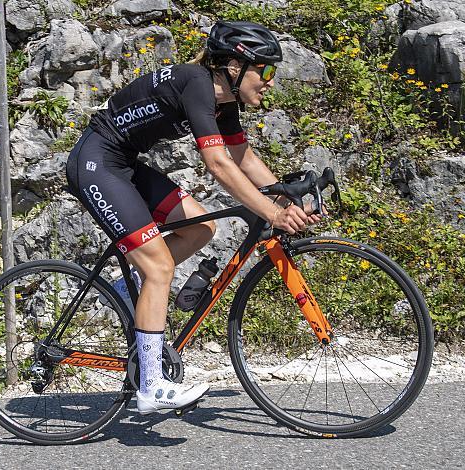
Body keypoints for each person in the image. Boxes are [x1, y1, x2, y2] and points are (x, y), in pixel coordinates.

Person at [65, 20, 322, 414]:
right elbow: (218, 164)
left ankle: (125, 294)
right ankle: (150, 387)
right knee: (160, 268)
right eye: (265, 70)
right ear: (235, 67)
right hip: (96, 162)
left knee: (201, 227)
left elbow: (243, 157)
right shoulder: (197, 83)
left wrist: (285, 202)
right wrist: (271, 211)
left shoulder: (224, 103)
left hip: (125, 164)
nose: (270, 81)